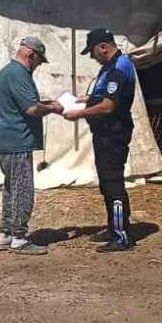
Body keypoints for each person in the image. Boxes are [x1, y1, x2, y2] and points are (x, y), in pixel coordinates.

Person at [63, 28, 137, 252]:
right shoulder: (109, 67)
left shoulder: (117, 68)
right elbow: (103, 96)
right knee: (106, 183)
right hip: (105, 134)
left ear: (103, 47)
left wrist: (79, 113)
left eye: (93, 52)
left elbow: (109, 105)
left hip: (113, 134)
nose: (92, 57)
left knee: (114, 185)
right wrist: (85, 99)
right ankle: (113, 227)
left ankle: (121, 235)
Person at [0, 37, 64, 255]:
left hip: (6, 140)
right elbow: (31, 109)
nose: (39, 65)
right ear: (30, 55)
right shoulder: (18, 73)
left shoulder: (8, 72)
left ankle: (5, 233)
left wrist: (46, 104)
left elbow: (26, 103)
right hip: (17, 142)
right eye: (39, 61)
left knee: (11, 189)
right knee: (23, 190)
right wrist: (54, 107)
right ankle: (19, 238)